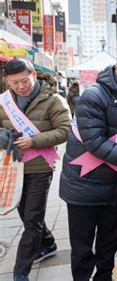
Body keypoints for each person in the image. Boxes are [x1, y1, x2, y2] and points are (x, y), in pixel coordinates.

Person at [59, 49, 117, 281]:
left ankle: (104, 277)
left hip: (112, 185)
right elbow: (94, 142)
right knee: (82, 247)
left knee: (108, 241)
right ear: (116, 69)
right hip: (83, 184)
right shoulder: (93, 96)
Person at [0, 58, 71, 281]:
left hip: (40, 166)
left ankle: (21, 271)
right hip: (14, 168)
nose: (21, 86)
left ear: (34, 74)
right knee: (25, 214)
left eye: (25, 80)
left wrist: (34, 140)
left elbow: (66, 130)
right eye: (15, 82)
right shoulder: (4, 102)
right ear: (7, 81)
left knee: (31, 219)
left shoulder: (53, 100)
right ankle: (48, 243)